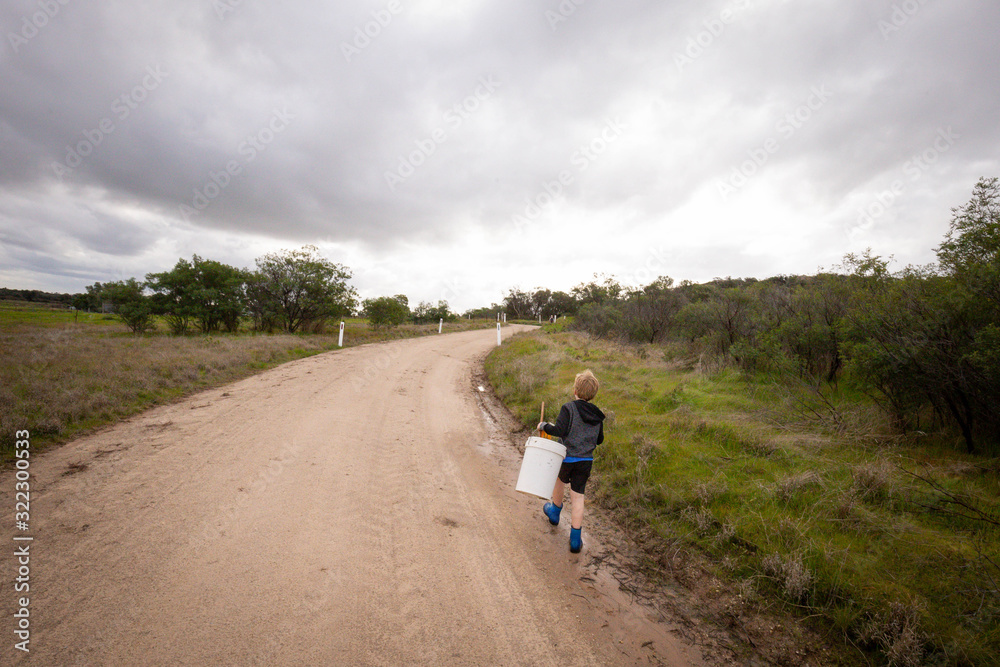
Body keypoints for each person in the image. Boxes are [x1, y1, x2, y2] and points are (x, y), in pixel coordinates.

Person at [537, 369, 605, 553]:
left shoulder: (569, 408)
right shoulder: (598, 416)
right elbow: (600, 440)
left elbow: (559, 430)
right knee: (578, 497)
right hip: (585, 461)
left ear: (575, 390)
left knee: (559, 482)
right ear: (593, 394)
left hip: (566, 457)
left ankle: (554, 512)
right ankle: (575, 540)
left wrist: (543, 426)